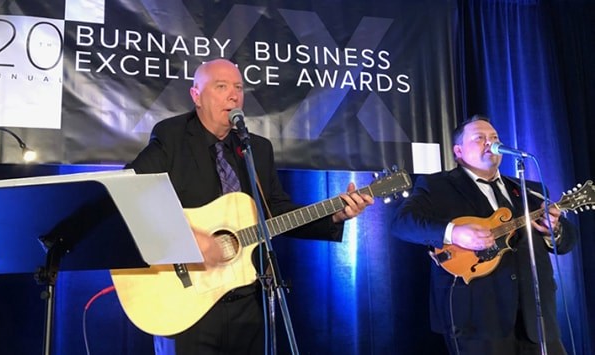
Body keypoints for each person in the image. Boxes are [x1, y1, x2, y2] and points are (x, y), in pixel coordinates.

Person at [128, 58, 374, 355]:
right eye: (221, 87)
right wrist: (189, 236)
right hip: (187, 305)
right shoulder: (172, 136)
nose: (234, 95)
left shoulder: (256, 148)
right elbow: (130, 193)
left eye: (239, 87)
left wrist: (335, 214)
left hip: (248, 303)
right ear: (196, 96)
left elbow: (275, 213)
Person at [390, 115, 578, 355]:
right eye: (480, 138)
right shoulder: (436, 186)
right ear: (458, 150)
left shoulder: (530, 190)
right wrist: (453, 232)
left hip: (537, 320)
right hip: (477, 320)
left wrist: (557, 230)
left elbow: (567, 241)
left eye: (494, 138)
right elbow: (401, 223)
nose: (490, 142)